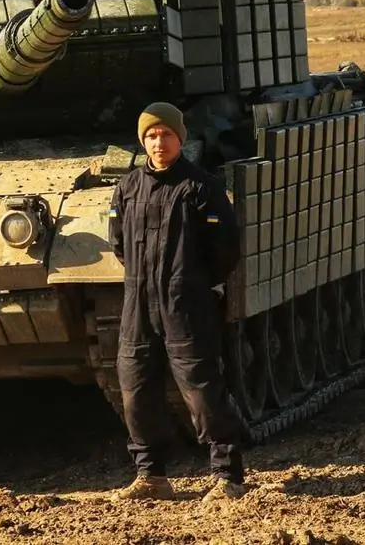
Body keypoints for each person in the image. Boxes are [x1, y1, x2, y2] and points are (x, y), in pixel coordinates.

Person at [107, 103, 248, 502]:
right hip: (138, 303)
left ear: (180, 139)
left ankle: (227, 476)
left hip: (186, 304)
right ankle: (151, 475)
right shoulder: (128, 187)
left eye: (166, 134)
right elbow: (118, 242)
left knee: (202, 391)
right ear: (143, 141)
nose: (158, 142)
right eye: (151, 135)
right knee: (136, 391)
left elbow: (225, 249)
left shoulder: (201, 187)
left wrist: (195, 285)